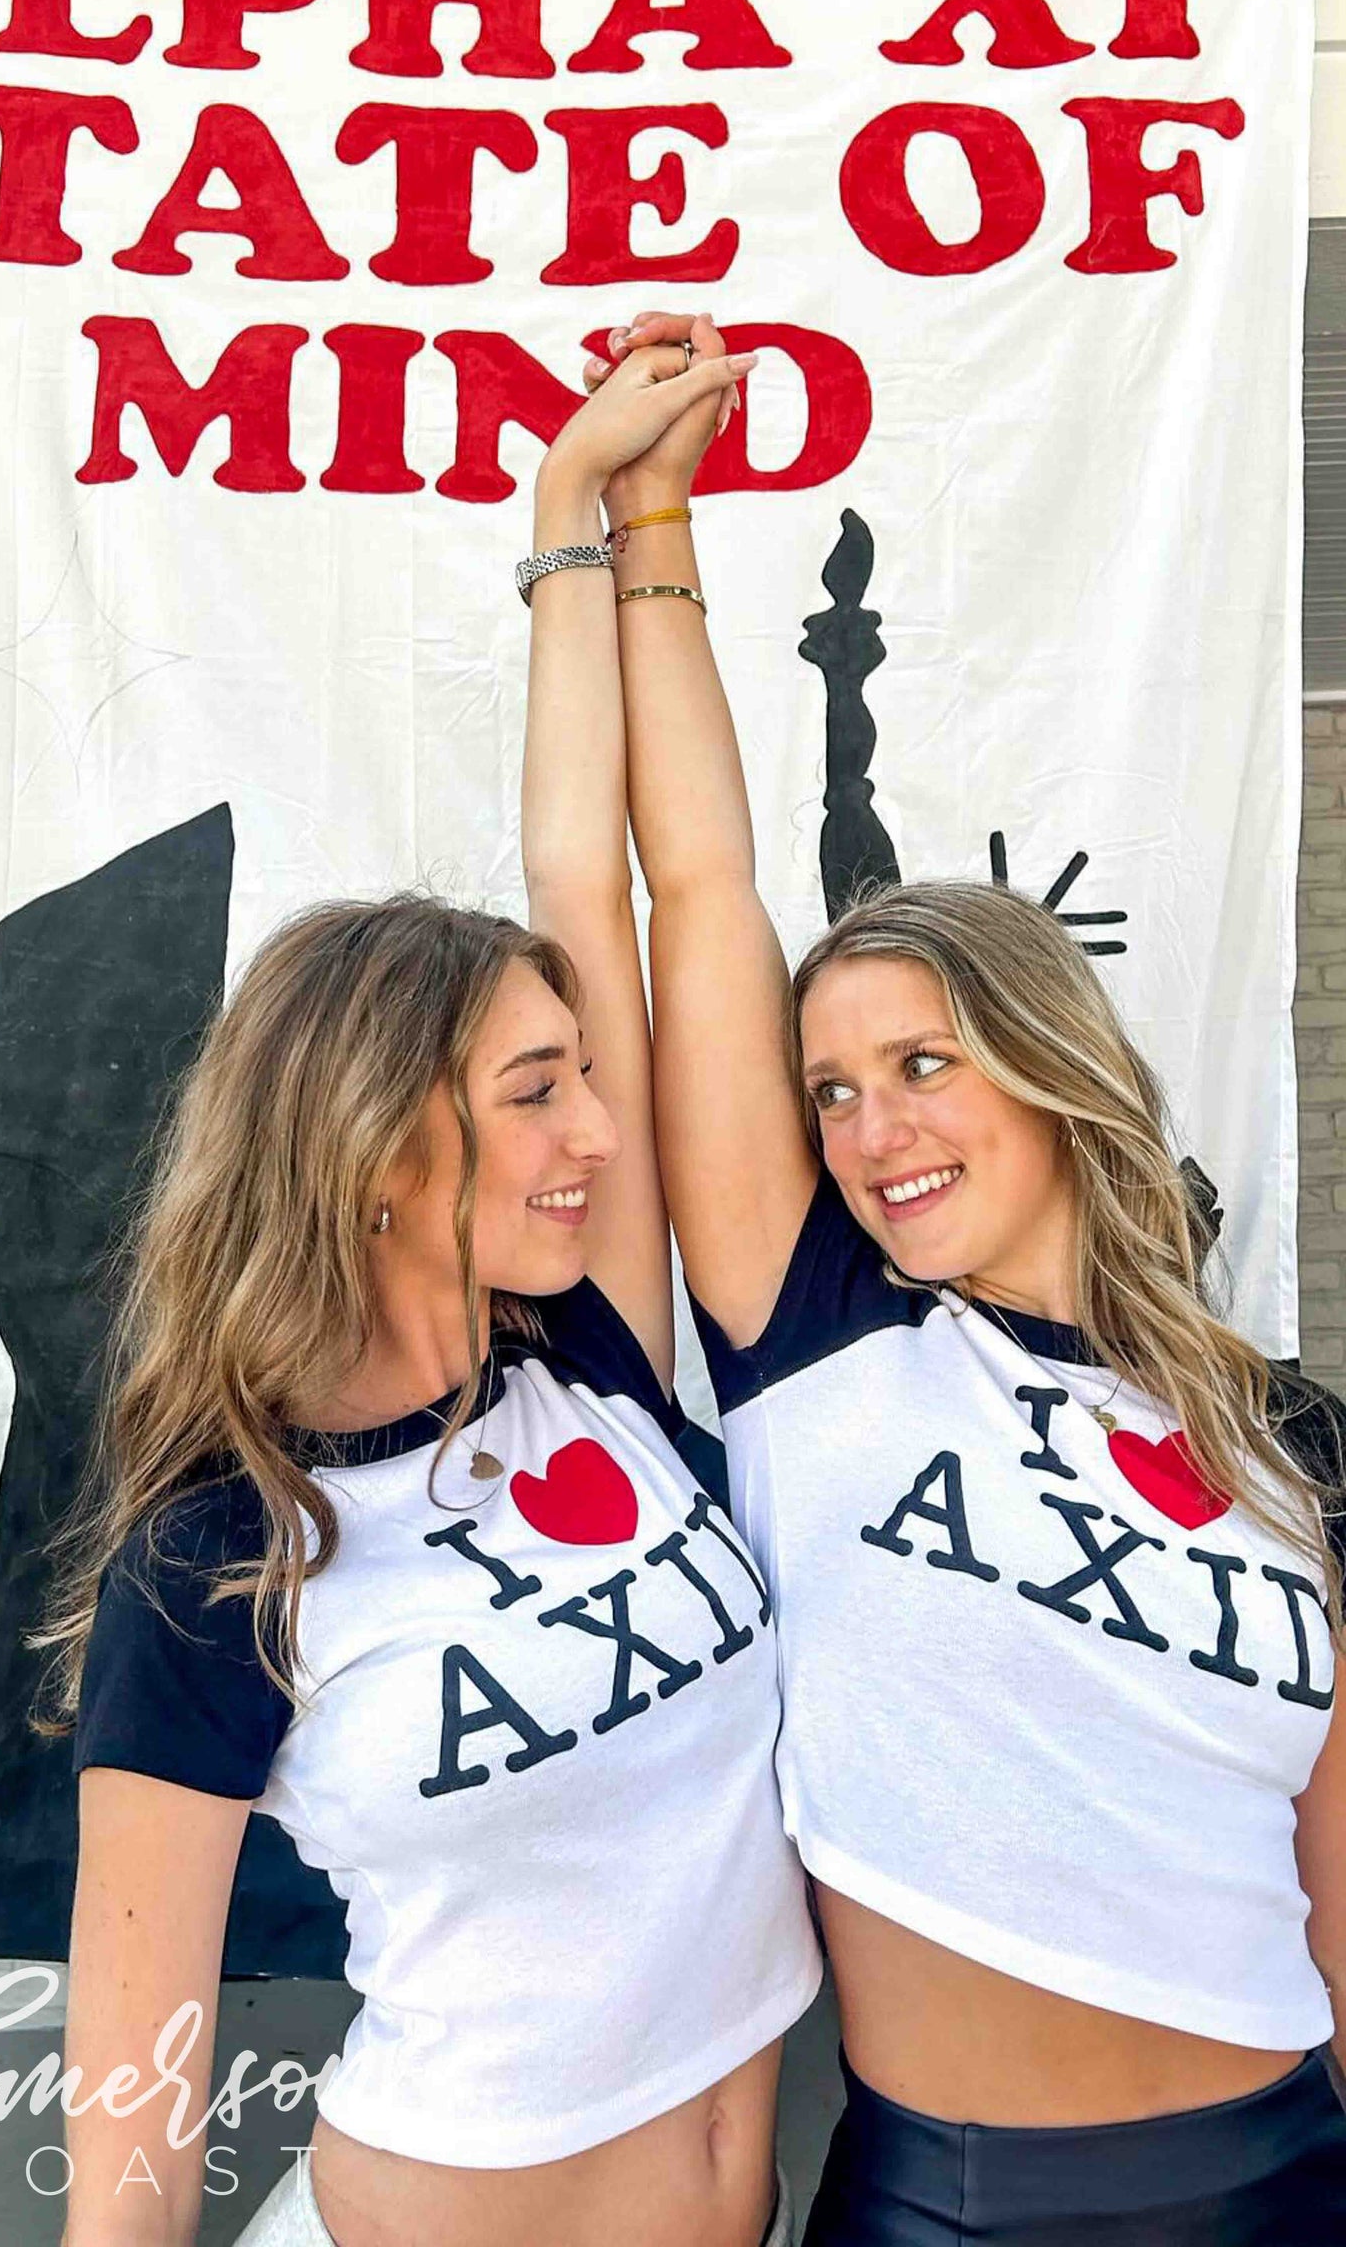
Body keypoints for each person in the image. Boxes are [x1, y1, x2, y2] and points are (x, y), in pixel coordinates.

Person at [40, 332, 820, 2247]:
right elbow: (137, 2068)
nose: (602, 1133)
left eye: (585, 1076)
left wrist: (602, 514)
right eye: (537, 1093)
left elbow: (599, 883)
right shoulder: (219, 1555)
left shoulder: (585, 1361)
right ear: (377, 1150)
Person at [584, 308, 1346, 2243]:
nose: (872, 1128)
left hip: (1288, 2179)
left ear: (1053, 1070)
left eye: (925, 1064)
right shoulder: (822, 1338)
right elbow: (700, 887)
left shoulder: (1300, 1443)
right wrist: (650, 528)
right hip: (948, 2205)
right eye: (832, 1090)